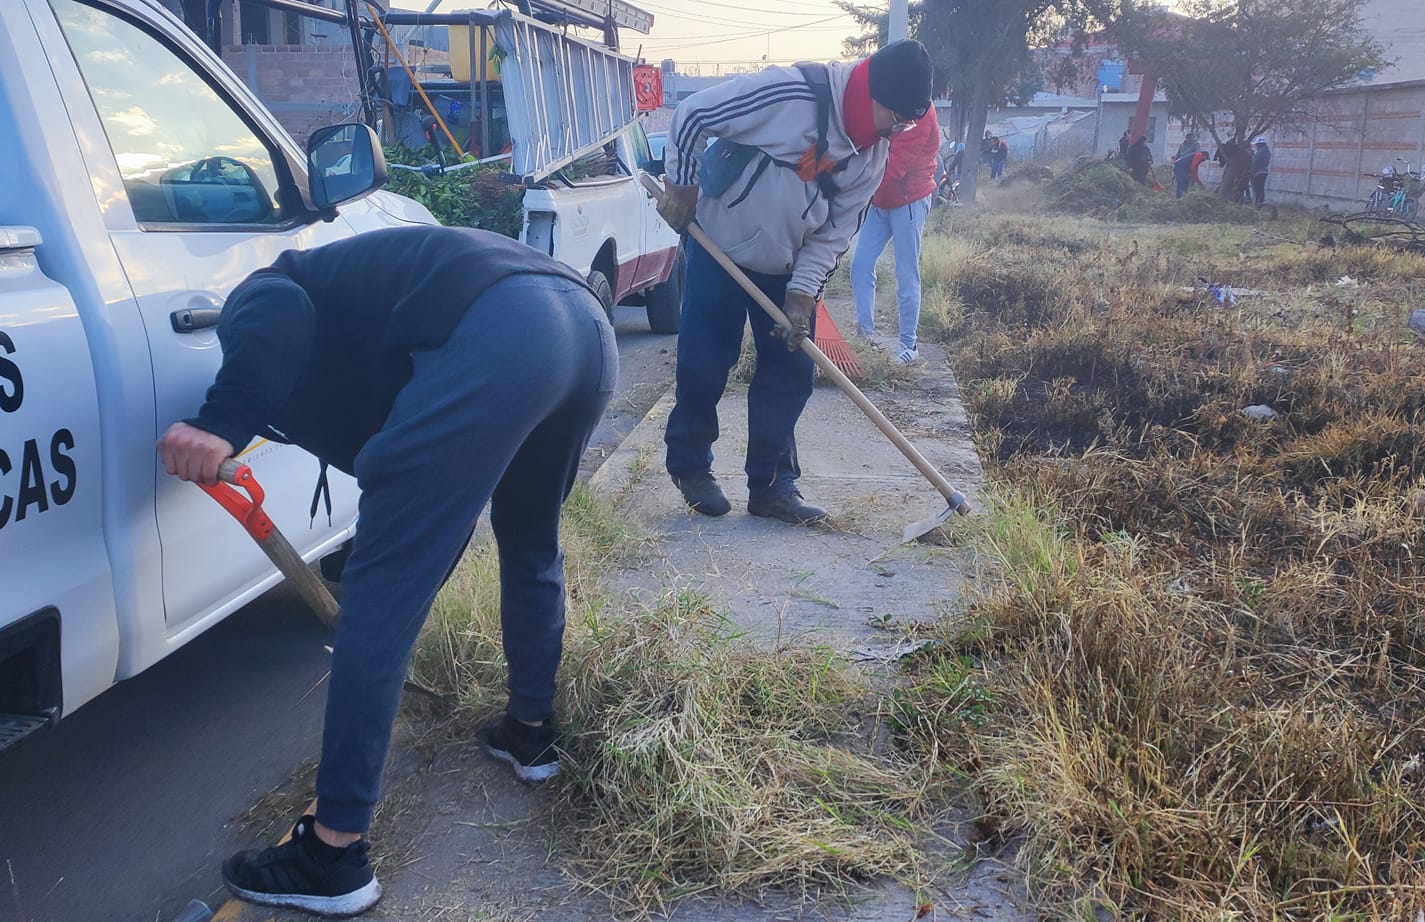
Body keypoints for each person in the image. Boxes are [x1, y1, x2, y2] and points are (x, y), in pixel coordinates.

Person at [157, 225, 617, 917]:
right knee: (530, 542)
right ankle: (530, 734)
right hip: (584, 325)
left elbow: (273, 323)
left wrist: (220, 421)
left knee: (379, 591)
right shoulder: (368, 304)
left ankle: (332, 855)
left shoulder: (263, 292)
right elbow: (409, 451)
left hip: (504, 330)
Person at [655, 39, 932, 526]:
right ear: (874, 95)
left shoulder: (871, 156)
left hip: (786, 268)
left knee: (790, 374)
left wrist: (803, 295)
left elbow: (835, 234)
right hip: (718, 244)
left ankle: (772, 486)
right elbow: (692, 117)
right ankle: (691, 467)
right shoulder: (787, 93)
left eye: (909, 123)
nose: (898, 131)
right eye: (898, 118)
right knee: (704, 361)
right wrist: (680, 187)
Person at [852, 107, 939, 365]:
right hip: (880, 200)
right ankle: (864, 336)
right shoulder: (888, 103)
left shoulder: (921, 112)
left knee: (906, 272)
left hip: (909, 199)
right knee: (860, 265)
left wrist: (854, 188)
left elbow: (895, 165)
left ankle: (908, 344)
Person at [1171, 133, 1201, 199]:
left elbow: (1198, 153)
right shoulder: (1182, 145)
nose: (1189, 139)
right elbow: (1177, 155)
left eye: (1191, 138)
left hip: (1189, 166)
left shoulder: (1196, 144)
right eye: (1188, 138)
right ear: (1186, 138)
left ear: (1192, 138)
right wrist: (1173, 158)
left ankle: (1186, 198)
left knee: (1187, 183)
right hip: (1181, 166)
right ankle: (1178, 199)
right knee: (1180, 184)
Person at [1249, 135, 1273, 205]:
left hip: (1257, 173)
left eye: (1256, 144)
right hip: (1264, 171)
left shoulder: (1260, 152)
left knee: (1257, 190)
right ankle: (1261, 204)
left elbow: (1254, 162)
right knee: (1261, 190)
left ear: (1259, 144)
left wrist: (1251, 172)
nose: (1256, 146)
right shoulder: (1267, 151)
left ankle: (1257, 205)